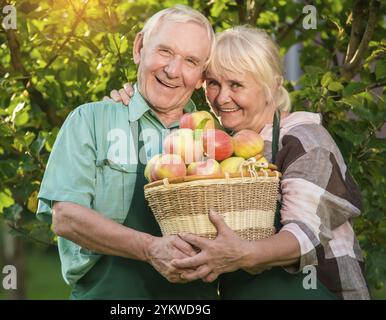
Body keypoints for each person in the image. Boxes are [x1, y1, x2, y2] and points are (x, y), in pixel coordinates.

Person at [108, 26, 370, 300]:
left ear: (272, 86)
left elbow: (303, 235)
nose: (221, 98)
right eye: (213, 83)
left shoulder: (303, 138)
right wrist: (128, 103)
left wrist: (241, 255)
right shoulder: (215, 145)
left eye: (236, 85)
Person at [36, 5, 219, 299]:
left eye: (190, 61)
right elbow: (65, 217)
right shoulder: (92, 120)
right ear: (139, 48)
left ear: (201, 77)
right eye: (164, 51)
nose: (172, 70)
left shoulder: (216, 139)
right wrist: (150, 249)